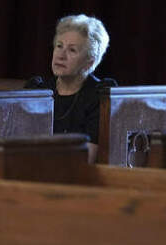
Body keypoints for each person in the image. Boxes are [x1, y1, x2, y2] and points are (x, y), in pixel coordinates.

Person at [26, 14, 115, 163]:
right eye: (59, 46)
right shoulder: (37, 91)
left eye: (72, 50)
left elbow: (86, 159)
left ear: (89, 62)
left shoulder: (99, 96)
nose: (61, 55)